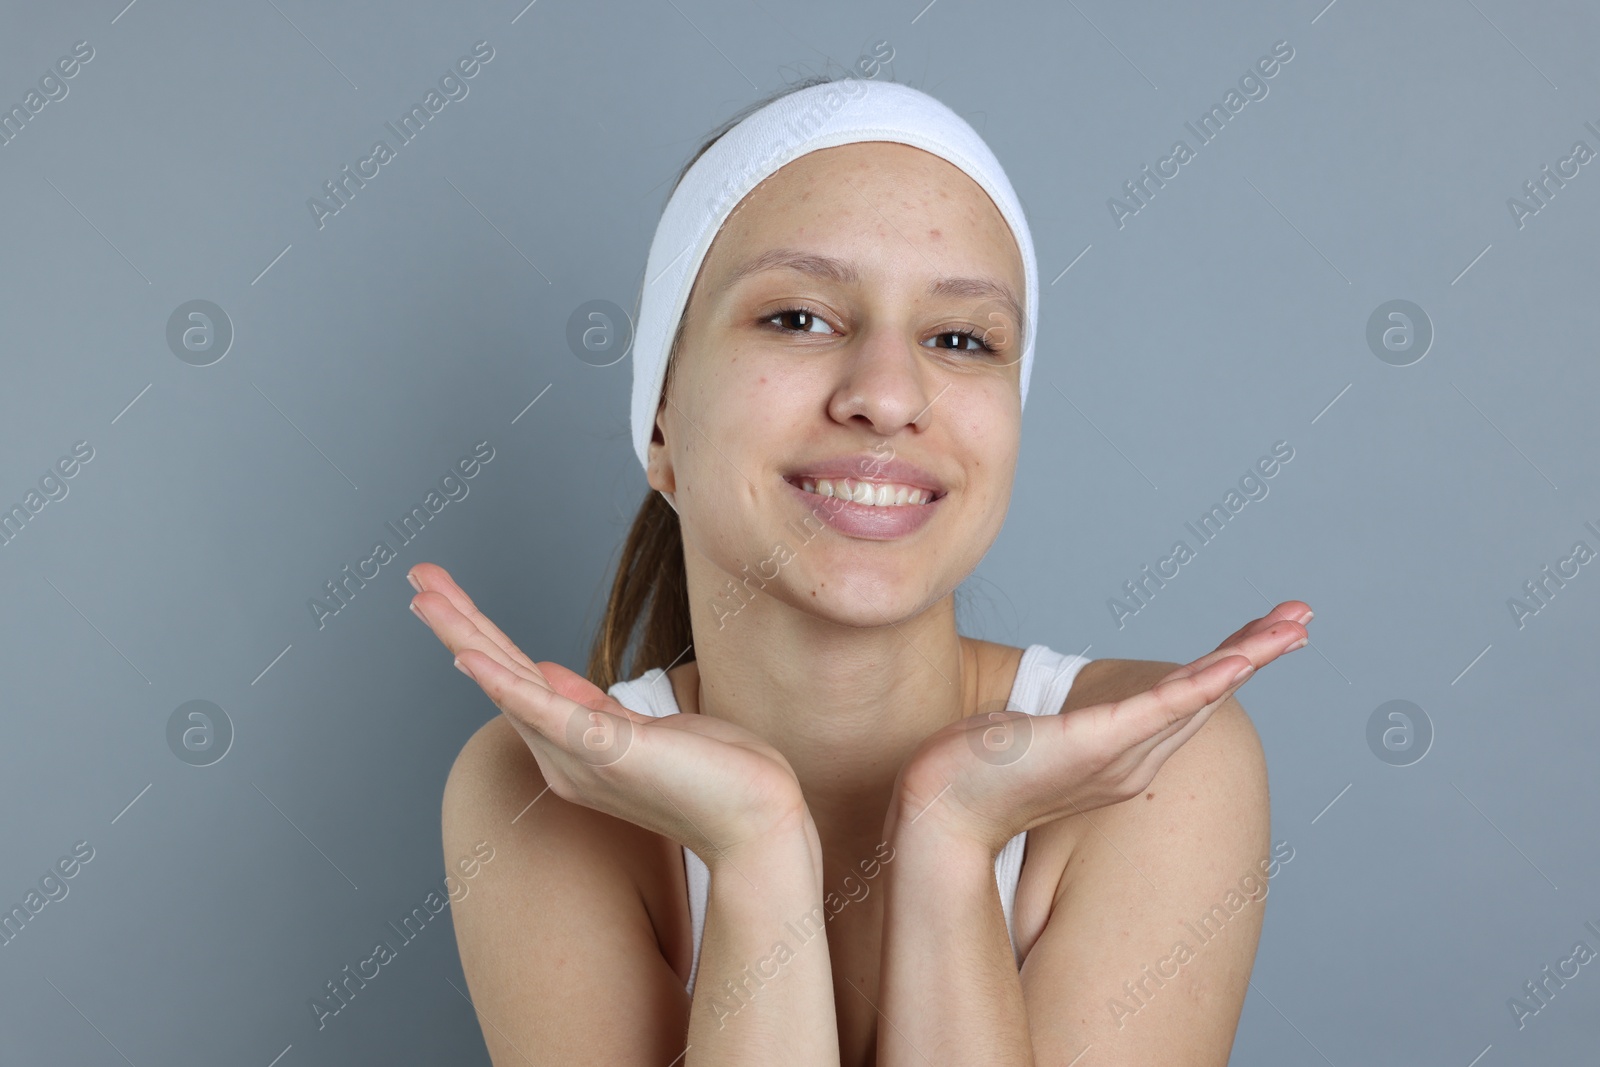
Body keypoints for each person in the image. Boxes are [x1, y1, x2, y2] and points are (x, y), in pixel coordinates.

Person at [417, 74, 1311, 1066]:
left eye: (961, 338)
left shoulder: (1159, 768)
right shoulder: (539, 789)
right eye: (798, 317)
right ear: (661, 418)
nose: (887, 396)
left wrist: (952, 833)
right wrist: (756, 852)